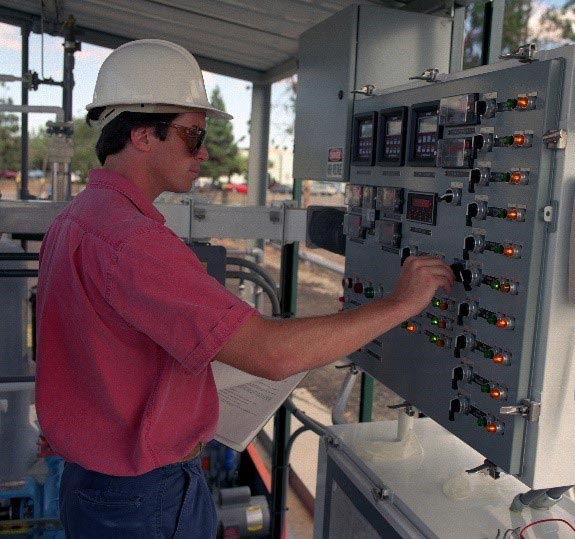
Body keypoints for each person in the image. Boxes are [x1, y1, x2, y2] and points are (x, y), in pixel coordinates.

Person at [35, 39, 455, 538]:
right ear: (144, 135)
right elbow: (271, 355)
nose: (205, 152)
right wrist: (401, 303)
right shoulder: (133, 241)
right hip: (143, 498)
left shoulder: (78, 220)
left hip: (96, 484)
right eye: (193, 136)